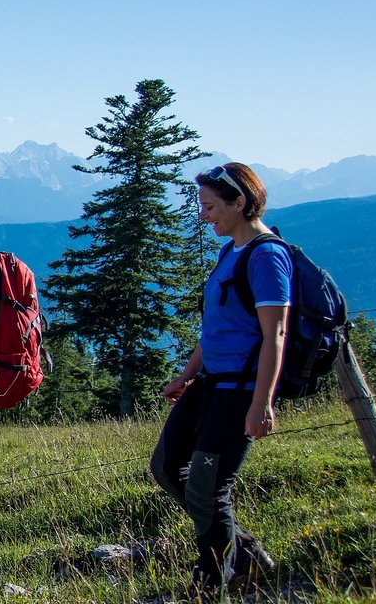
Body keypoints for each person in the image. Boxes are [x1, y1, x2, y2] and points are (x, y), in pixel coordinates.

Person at [151, 162, 284, 598]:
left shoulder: (266, 256)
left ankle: (210, 585)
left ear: (239, 203)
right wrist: (186, 375)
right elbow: (216, 329)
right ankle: (244, 555)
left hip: (240, 391)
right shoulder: (231, 252)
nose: (203, 215)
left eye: (209, 206)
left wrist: (262, 402)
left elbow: (274, 335)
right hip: (210, 383)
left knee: (210, 487)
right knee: (167, 467)